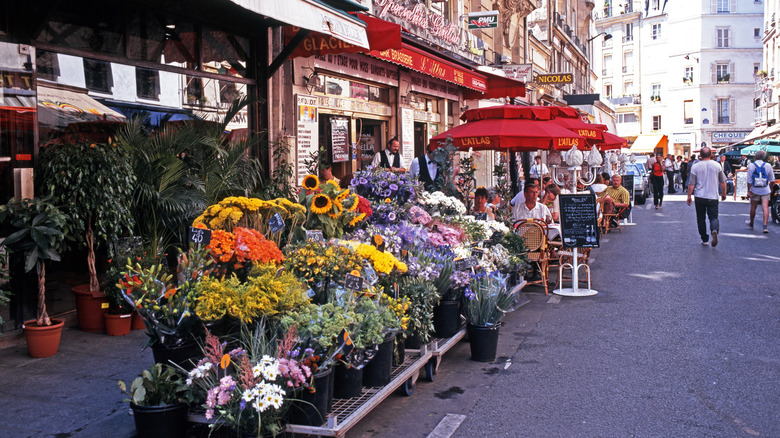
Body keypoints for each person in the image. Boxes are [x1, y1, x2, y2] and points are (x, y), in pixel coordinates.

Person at [686, 146, 727, 246]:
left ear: (700, 155)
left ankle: (705, 239)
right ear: (711, 155)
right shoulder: (717, 165)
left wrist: (689, 196)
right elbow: (723, 182)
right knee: (713, 217)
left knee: (701, 218)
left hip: (700, 196)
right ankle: (714, 230)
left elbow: (691, 183)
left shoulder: (695, 166)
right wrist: (724, 194)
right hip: (713, 196)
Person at [746, 150, 776, 233]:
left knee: (753, 207)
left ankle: (751, 223)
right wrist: (770, 187)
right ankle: (765, 226)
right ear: (764, 157)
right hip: (765, 189)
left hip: (755, 189)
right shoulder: (768, 165)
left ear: (755, 157)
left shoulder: (751, 166)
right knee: (765, 207)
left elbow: (749, 180)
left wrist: (748, 191)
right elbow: (772, 179)